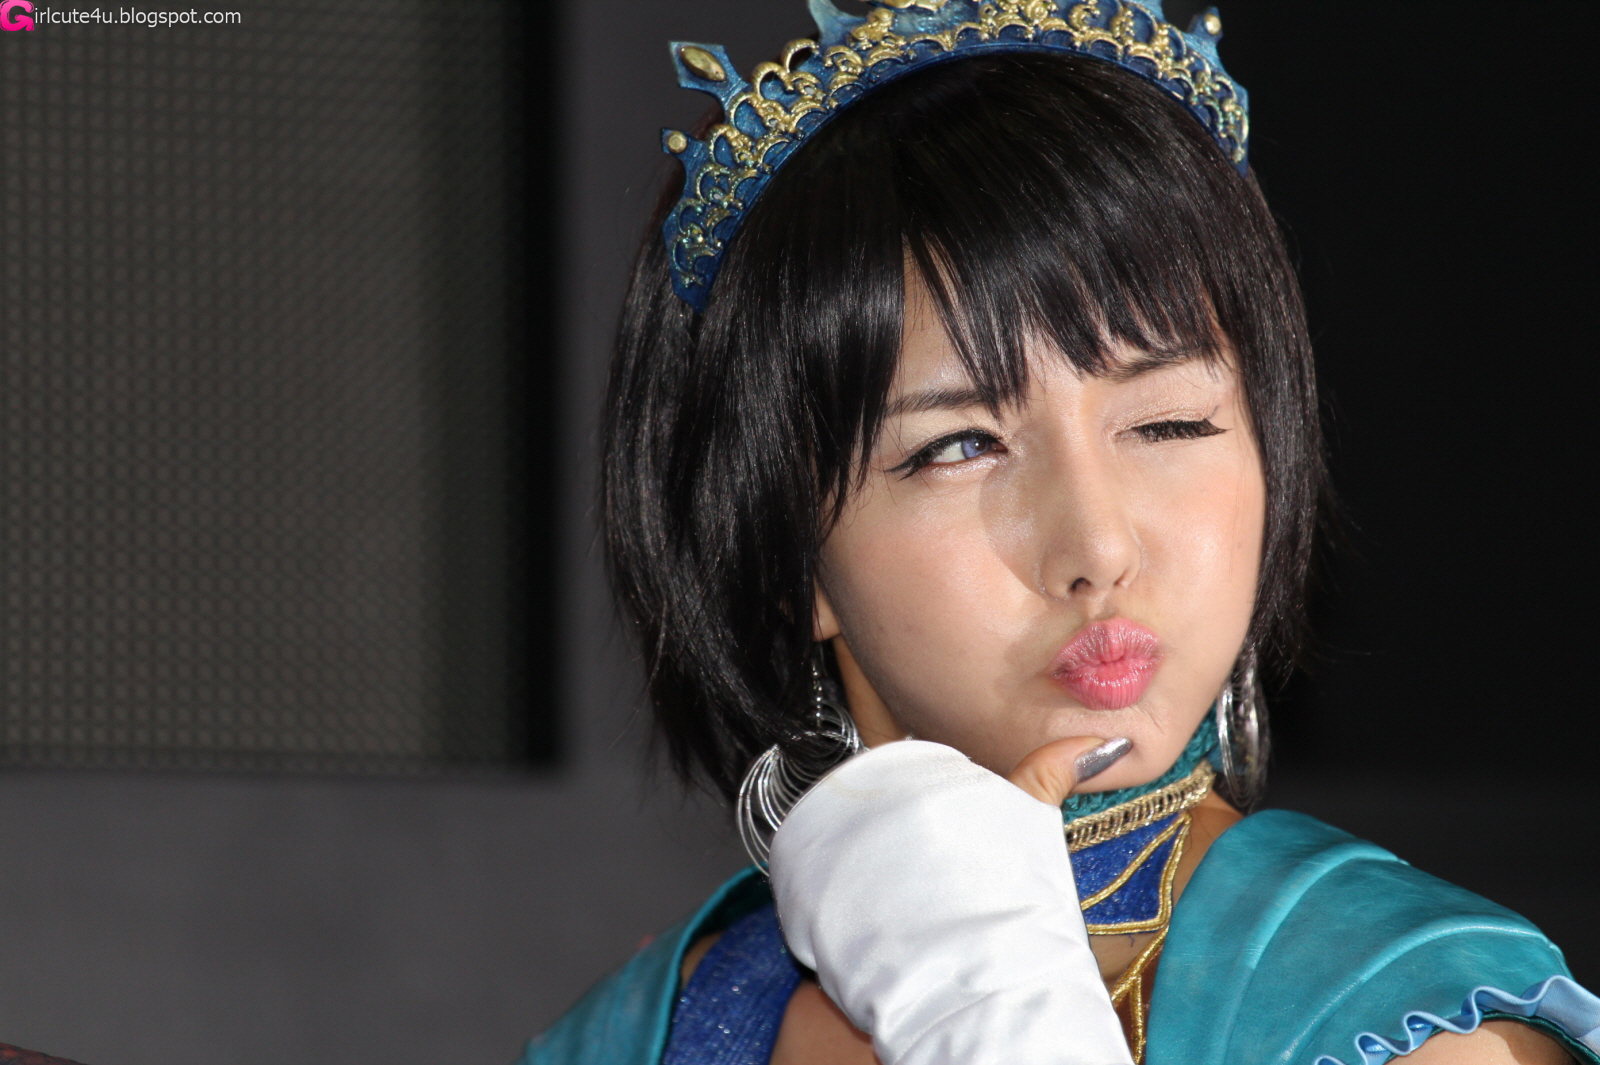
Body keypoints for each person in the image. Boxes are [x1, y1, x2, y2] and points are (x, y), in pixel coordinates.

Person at [522, 2, 1600, 1063]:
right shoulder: (644, 1033)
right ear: (782, 549)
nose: (1098, 549)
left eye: (1168, 423)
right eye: (960, 445)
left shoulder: (1413, 1025)